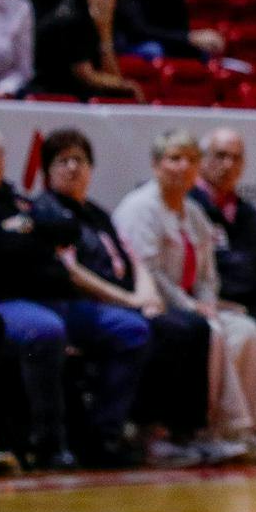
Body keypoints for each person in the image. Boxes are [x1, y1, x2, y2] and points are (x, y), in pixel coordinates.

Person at [0, 120, 149, 467]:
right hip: (1, 303)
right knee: (45, 330)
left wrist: (26, 229)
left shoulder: (17, 199)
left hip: (56, 300)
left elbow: (67, 230)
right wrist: (31, 234)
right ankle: (49, 443)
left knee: (132, 330)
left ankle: (102, 434)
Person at [32, 130, 218, 466]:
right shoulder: (48, 212)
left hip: (120, 301)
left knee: (192, 326)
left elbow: (134, 259)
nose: (73, 168)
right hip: (81, 304)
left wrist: (146, 294)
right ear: (48, 170)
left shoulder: (97, 212)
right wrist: (128, 301)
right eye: (64, 161)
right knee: (144, 330)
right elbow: (73, 272)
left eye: (81, 161)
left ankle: (184, 431)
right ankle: (118, 432)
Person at [114, 129, 256, 459]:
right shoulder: (141, 207)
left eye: (190, 160)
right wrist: (192, 306)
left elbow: (208, 273)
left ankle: (244, 428)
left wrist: (205, 301)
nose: (183, 167)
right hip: (157, 305)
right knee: (212, 332)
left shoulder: (193, 212)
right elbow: (149, 273)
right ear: (156, 165)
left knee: (246, 329)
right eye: (174, 159)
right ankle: (207, 429)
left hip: (193, 304)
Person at [192, 126, 256, 323]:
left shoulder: (251, 213)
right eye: (220, 156)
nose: (228, 165)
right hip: (209, 310)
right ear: (201, 160)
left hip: (254, 310)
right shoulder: (188, 206)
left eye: (236, 158)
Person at [34, 0, 146, 100]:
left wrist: (105, 31)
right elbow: (85, 75)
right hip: (47, 94)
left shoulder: (107, 19)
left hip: (77, 94)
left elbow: (111, 76)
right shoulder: (71, 19)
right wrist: (126, 85)